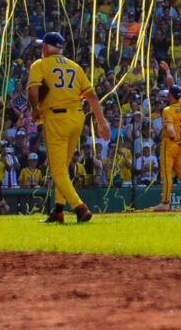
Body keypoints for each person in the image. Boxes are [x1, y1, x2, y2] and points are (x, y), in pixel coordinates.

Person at [26, 31, 110, 224]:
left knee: (57, 170)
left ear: (45, 47)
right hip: (77, 118)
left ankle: (80, 207)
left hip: (56, 118)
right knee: (63, 167)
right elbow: (92, 96)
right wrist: (102, 121)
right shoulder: (74, 66)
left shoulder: (40, 64)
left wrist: (35, 108)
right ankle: (58, 211)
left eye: (42, 46)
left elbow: (33, 91)